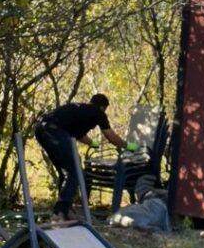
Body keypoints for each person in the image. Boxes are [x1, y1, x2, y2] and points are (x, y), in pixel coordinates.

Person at [35, 94, 139, 222]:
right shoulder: (98, 112)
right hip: (55, 132)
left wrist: (92, 143)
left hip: (41, 129)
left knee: (66, 171)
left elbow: (80, 135)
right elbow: (110, 136)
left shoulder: (80, 110)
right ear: (103, 107)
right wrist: (128, 146)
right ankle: (60, 212)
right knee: (75, 171)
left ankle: (66, 210)